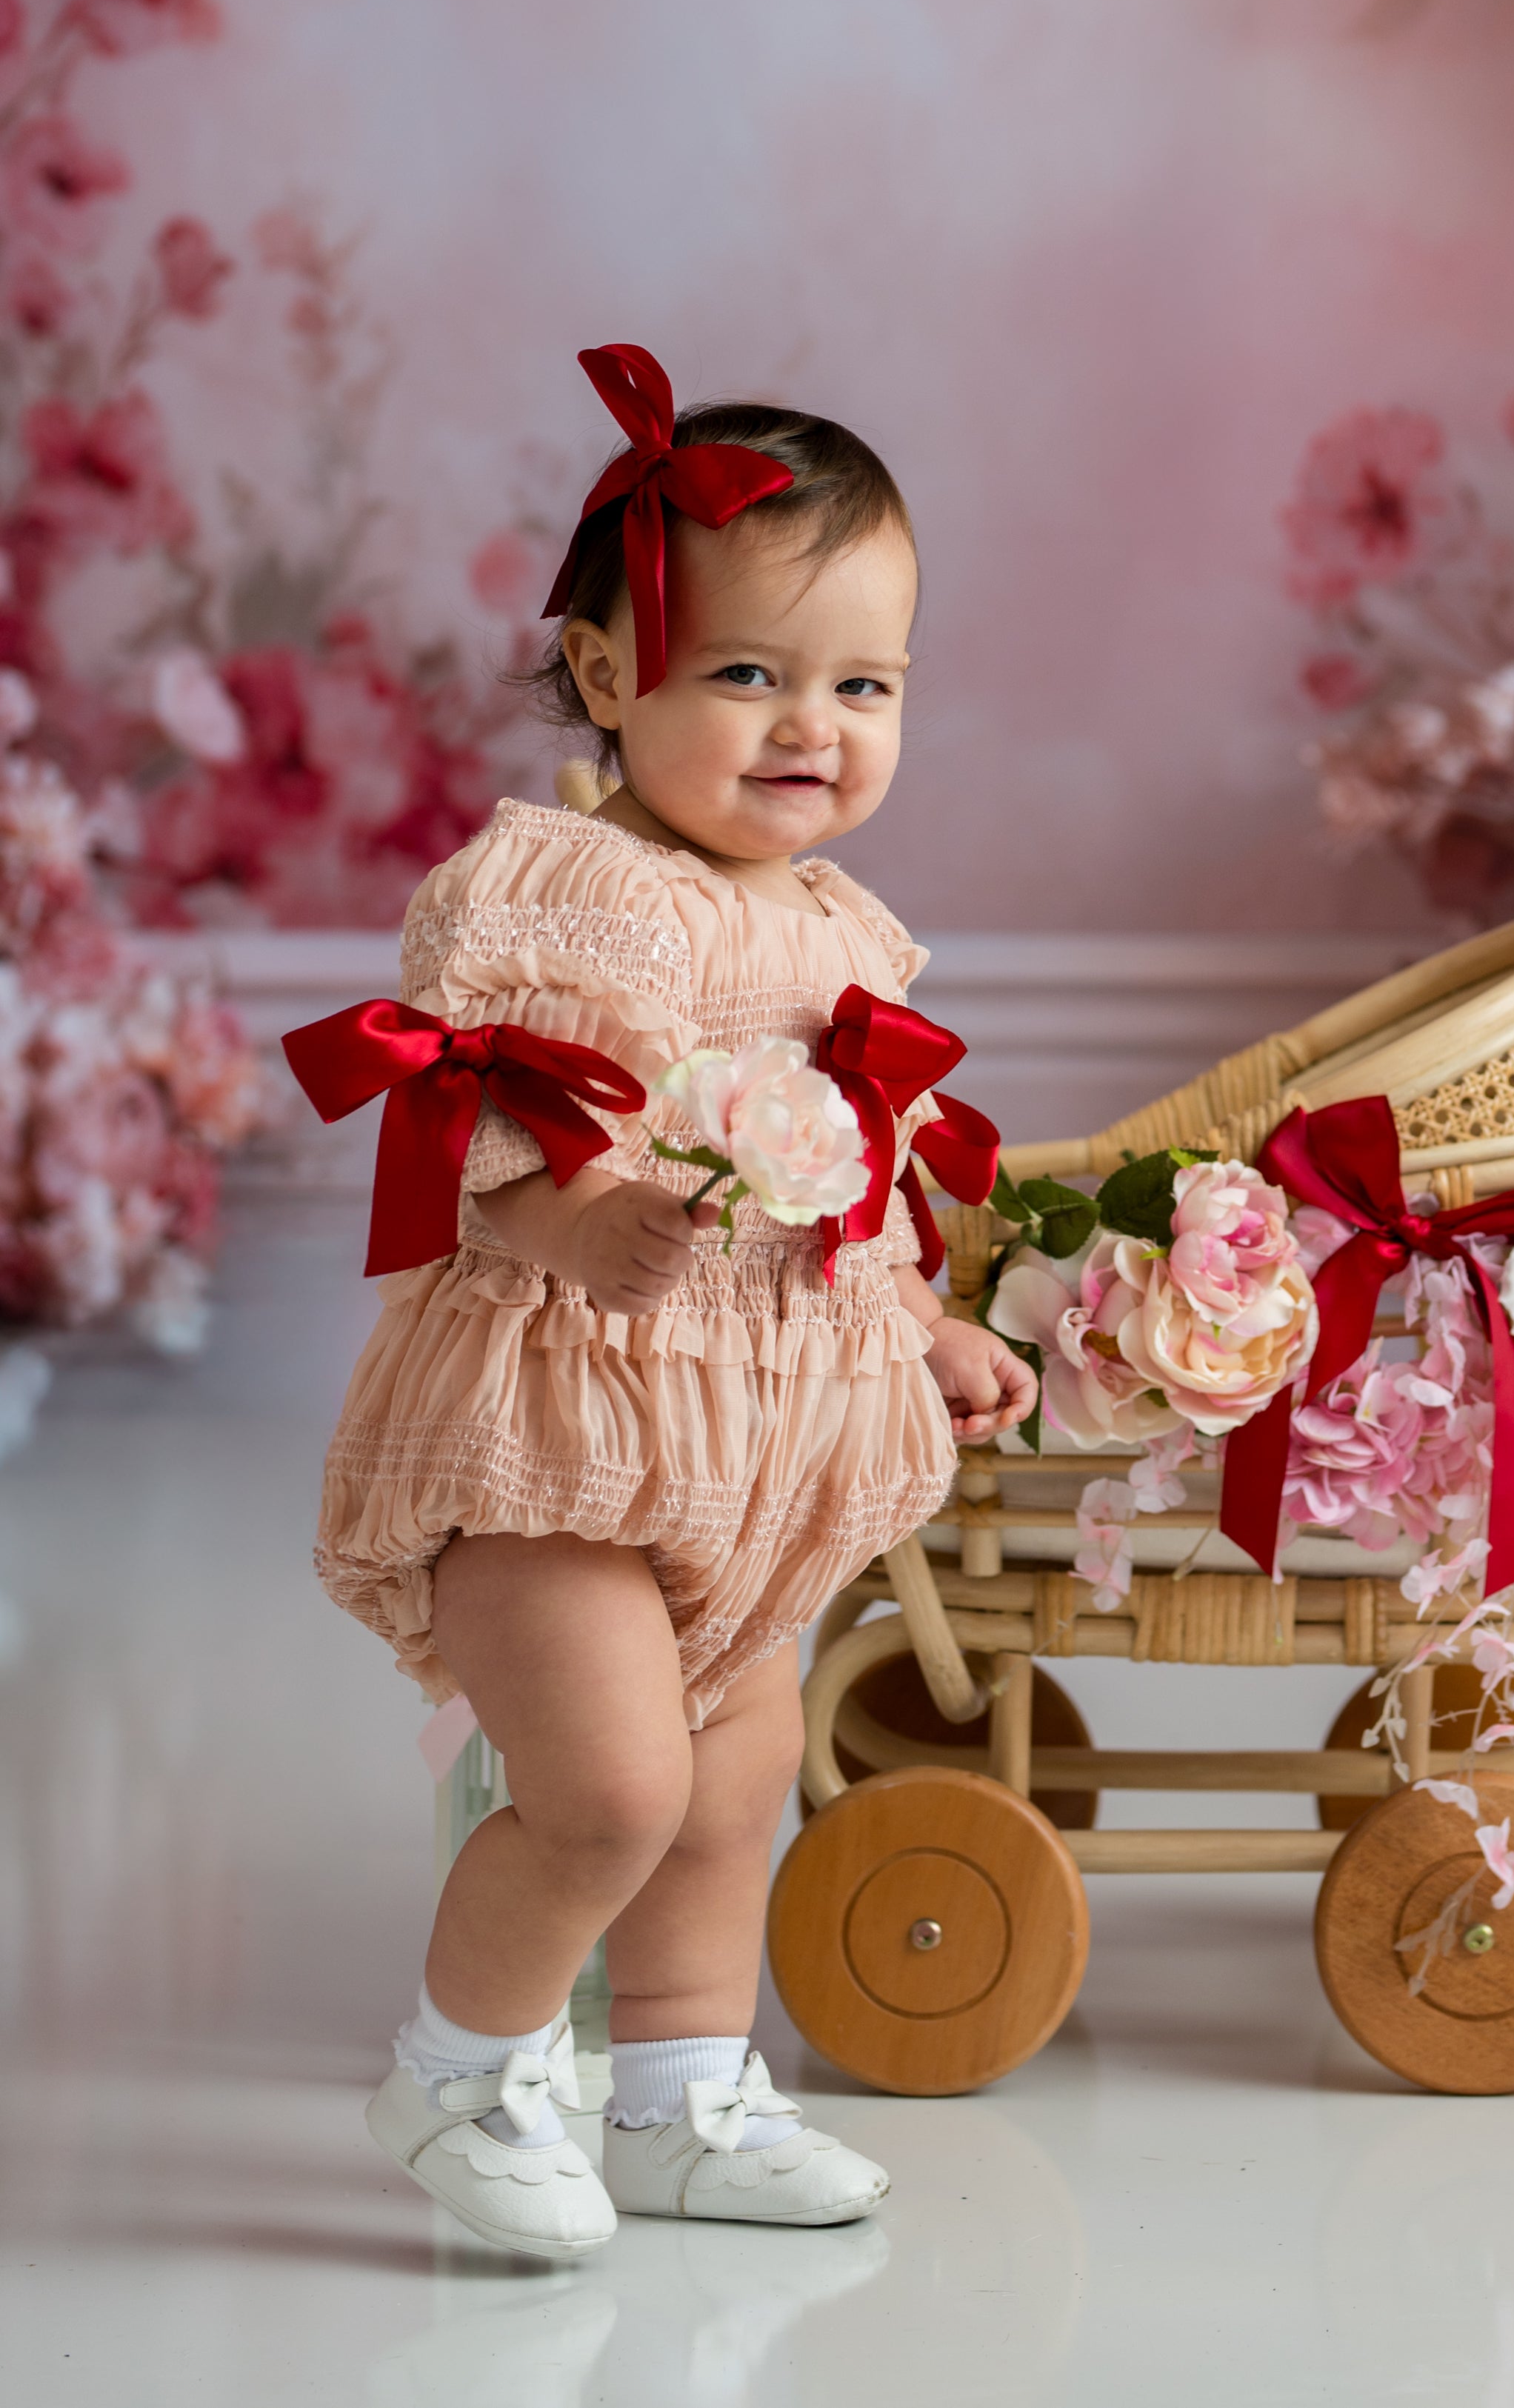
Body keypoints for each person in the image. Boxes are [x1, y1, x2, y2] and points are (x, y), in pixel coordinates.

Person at [312, 345, 1033, 2260]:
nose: (813, 726)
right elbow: (468, 1098)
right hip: (554, 1432)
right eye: (750, 674)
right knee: (611, 1785)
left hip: (756, 1449)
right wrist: (568, 1220)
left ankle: (681, 2091)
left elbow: (842, 1187)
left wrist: (924, 1324)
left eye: (861, 684)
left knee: (730, 1792)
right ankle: (459, 2063)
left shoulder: (838, 931)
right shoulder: (565, 885)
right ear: (611, 673)